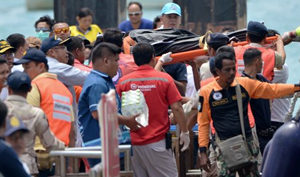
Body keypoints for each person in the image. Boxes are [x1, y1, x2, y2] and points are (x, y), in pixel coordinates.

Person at [198, 51, 300, 177]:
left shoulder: (244, 84)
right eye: (227, 70)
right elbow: (203, 123)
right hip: (223, 146)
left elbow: (272, 90)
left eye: (233, 69)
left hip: (247, 144)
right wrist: (203, 152)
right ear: (217, 71)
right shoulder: (206, 92)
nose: (231, 73)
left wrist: (297, 87)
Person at [117, 42, 190, 177]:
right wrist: (185, 132)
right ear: (153, 57)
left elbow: (117, 109)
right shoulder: (164, 79)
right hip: (158, 143)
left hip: (134, 145)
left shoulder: (124, 82)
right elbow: (177, 108)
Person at [78, 42, 140, 167]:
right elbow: (98, 113)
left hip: (110, 145)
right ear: (106, 61)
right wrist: (126, 120)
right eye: (116, 61)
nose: (118, 65)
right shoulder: (97, 83)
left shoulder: (103, 80)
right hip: (101, 147)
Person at [15, 49, 74, 175]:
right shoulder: (64, 89)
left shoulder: (34, 86)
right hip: (62, 155)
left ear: (41, 66)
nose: (24, 72)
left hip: (39, 157)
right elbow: (71, 130)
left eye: (27, 67)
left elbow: (28, 122)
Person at [4, 71, 65, 176]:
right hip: (28, 167)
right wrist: (63, 146)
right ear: (30, 90)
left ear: (9, 89)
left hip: (3, 164)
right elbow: (50, 143)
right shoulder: (37, 113)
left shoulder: (2, 109)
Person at [241, 48, 273, 154]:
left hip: (267, 135)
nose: (262, 64)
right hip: (253, 137)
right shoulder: (241, 85)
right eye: (262, 61)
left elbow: (275, 91)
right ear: (257, 61)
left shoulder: (262, 80)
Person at [0, 102, 30, 177]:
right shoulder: (5, 154)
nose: (19, 142)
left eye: (21, 136)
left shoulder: (22, 165)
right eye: (13, 138)